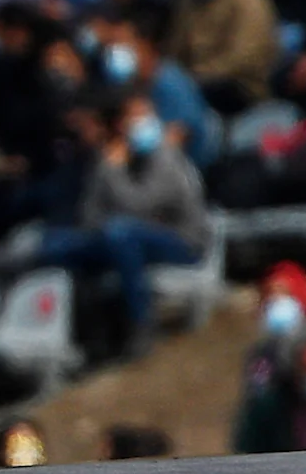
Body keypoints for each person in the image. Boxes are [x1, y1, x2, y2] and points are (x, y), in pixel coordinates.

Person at [36, 100, 209, 345]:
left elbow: (140, 206)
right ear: (120, 126)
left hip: (181, 240)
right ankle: (86, 336)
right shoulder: (118, 158)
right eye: (134, 117)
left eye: (146, 114)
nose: (142, 123)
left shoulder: (166, 155)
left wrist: (112, 171)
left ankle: (141, 323)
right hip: (127, 238)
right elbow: (89, 214)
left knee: (120, 233)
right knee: (56, 244)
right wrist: (106, 171)